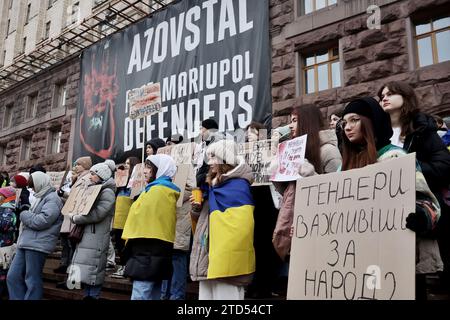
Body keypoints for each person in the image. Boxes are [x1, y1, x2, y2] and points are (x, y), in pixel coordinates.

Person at [340, 96, 443, 300]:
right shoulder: (343, 167)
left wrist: (421, 216)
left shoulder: (396, 157)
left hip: (401, 263)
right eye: (344, 123)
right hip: (361, 263)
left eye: (354, 120)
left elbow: (429, 202)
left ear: (371, 123)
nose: (347, 127)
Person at [378, 81, 450, 290]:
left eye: (391, 93)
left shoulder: (422, 129)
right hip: (385, 215)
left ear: (405, 97)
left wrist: (407, 168)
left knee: (415, 279)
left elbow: (444, 166)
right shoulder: (376, 133)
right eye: (382, 95)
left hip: (417, 212)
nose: (384, 97)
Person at [272, 104, 342, 261]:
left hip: (322, 231)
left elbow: (338, 193)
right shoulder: (296, 151)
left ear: (308, 122)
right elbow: (288, 193)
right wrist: (277, 173)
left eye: (295, 120)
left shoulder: (328, 151)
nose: (290, 125)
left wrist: (311, 175)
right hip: (298, 227)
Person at [190, 139, 255, 300]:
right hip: (208, 256)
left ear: (224, 160)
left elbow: (241, 231)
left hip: (226, 263)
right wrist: (197, 208)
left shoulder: (238, 187)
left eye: (213, 157)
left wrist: (221, 257)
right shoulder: (212, 187)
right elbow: (202, 225)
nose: (209, 162)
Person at [122, 154, 180, 300]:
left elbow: (138, 215)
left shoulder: (157, 191)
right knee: (154, 291)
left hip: (146, 248)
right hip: (157, 248)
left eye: (149, 167)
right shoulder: (163, 190)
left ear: (160, 170)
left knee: (141, 292)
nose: (145, 171)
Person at [7, 171, 63, 300]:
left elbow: (41, 221)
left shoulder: (53, 199)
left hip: (38, 244)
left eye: (33, 186)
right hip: (27, 242)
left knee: (32, 279)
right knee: (13, 276)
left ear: (40, 183)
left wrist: (23, 213)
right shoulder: (41, 196)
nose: (32, 189)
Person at [67, 162, 116, 300]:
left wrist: (77, 218)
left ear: (101, 175)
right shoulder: (94, 188)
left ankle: (93, 296)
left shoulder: (107, 192)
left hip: (97, 237)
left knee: (94, 270)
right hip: (88, 236)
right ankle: (87, 295)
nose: (90, 177)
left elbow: (98, 213)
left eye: (93, 174)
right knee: (87, 272)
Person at [161, 167, 194, 300]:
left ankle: (174, 296)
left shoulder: (175, 190)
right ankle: (168, 295)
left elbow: (191, 187)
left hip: (178, 231)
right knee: (170, 263)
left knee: (177, 262)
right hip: (171, 231)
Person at [55, 157, 92, 275]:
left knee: (72, 245)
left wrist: (64, 194)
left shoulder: (85, 179)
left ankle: (69, 269)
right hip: (68, 215)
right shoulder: (75, 179)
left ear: (85, 165)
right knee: (66, 243)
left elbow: (78, 197)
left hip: (74, 217)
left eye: (78, 165)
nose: (75, 167)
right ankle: (65, 264)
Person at [111, 156, 140, 279]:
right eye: (125, 163)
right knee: (119, 244)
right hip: (118, 220)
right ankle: (123, 266)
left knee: (127, 246)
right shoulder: (120, 184)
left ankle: (127, 267)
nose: (126, 165)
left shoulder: (135, 183)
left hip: (128, 219)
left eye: (129, 163)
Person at [0, 187, 17, 299]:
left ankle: (2, 291)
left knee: (3, 270)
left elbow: (4, 226)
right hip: (2, 244)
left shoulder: (8, 210)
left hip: (4, 246)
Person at [10, 174, 30, 242]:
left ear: (18, 183)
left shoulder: (23, 194)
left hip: (19, 221)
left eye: (13, 181)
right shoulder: (17, 192)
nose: (10, 183)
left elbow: (25, 207)